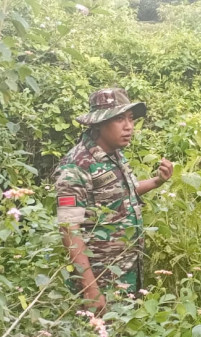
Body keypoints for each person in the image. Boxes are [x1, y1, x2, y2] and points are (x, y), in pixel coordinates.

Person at [54, 88, 173, 312]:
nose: (129, 126)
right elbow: (69, 230)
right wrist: (91, 289)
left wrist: (157, 181)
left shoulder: (114, 154)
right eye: (119, 119)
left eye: (130, 119)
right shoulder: (75, 167)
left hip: (126, 275)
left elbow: (121, 193)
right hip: (100, 281)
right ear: (98, 123)